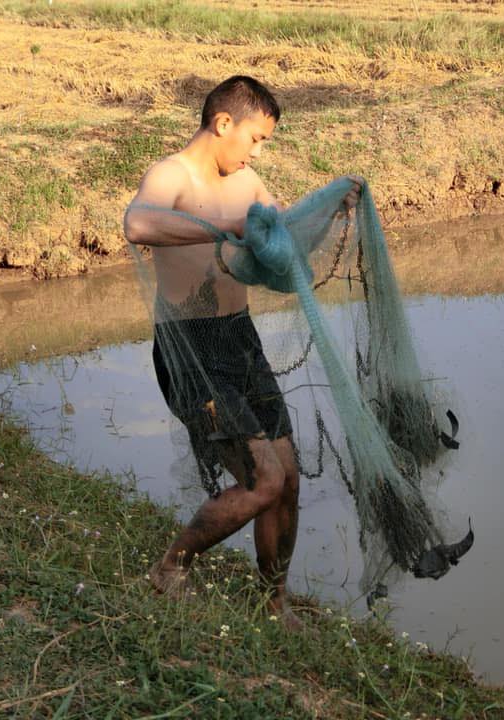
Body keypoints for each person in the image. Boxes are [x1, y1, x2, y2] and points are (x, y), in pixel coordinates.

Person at [124, 75, 362, 630]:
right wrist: (225, 226)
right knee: (264, 481)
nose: (257, 151)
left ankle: (273, 603)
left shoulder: (250, 182)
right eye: (255, 138)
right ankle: (170, 567)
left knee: (290, 479)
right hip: (191, 346)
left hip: (240, 338)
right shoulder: (171, 175)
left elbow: (284, 238)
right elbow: (137, 222)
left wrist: (330, 205)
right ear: (223, 123)